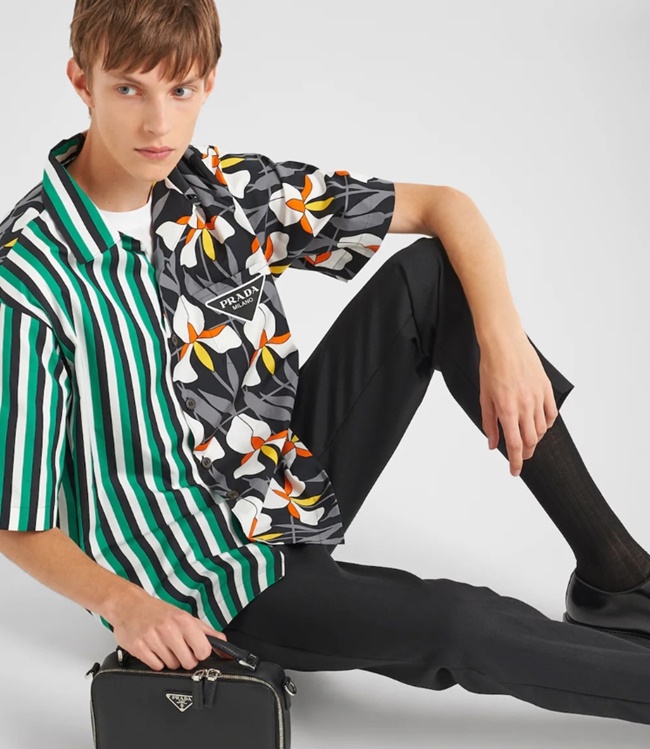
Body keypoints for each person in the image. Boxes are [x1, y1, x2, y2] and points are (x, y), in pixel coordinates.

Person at [1, 0, 650, 731]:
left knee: (432, 277)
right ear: (81, 82)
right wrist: (126, 606)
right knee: (459, 622)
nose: (158, 124)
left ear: (207, 84)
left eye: (179, 90)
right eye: (129, 89)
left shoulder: (221, 191)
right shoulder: (28, 277)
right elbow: (16, 518)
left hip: (284, 486)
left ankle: (618, 578)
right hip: (210, 582)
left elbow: (445, 207)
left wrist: (505, 344)